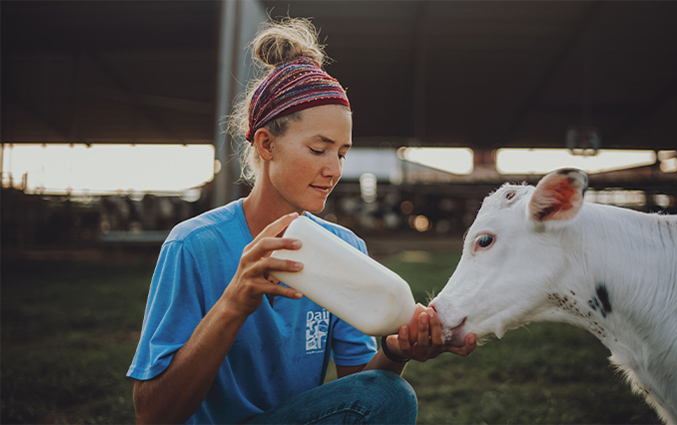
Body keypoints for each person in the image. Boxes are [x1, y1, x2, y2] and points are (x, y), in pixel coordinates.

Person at [127, 17, 477, 425]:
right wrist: (234, 303)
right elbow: (151, 414)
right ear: (266, 143)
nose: (334, 169)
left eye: (342, 153)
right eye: (318, 149)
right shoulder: (193, 245)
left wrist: (397, 351)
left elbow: (362, 393)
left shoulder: (345, 249)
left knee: (391, 394)